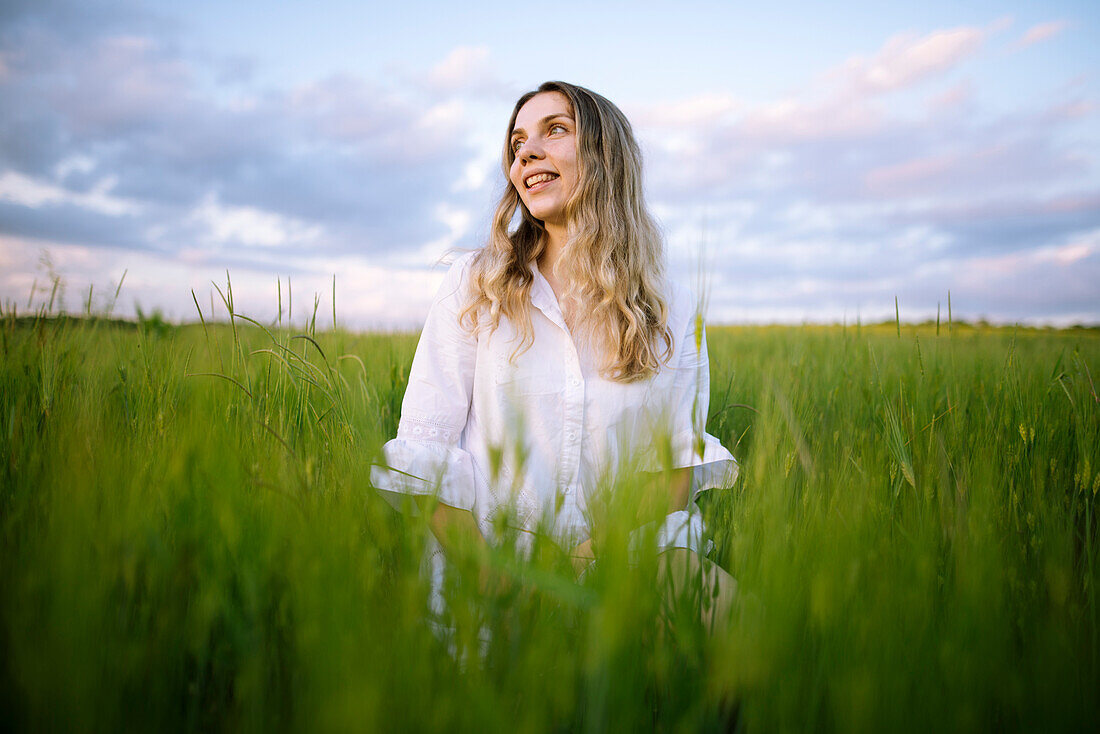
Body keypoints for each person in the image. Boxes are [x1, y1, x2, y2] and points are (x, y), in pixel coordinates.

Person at [370, 81, 739, 625]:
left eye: (555, 130)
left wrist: (578, 562)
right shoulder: (475, 285)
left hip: (625, 555)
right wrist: (490, 573)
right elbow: (424, 450)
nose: (526, 153)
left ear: (605, 155)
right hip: (492, 567)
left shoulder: (671, 306)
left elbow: (674, 469)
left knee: (731, 619)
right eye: (517, 143)